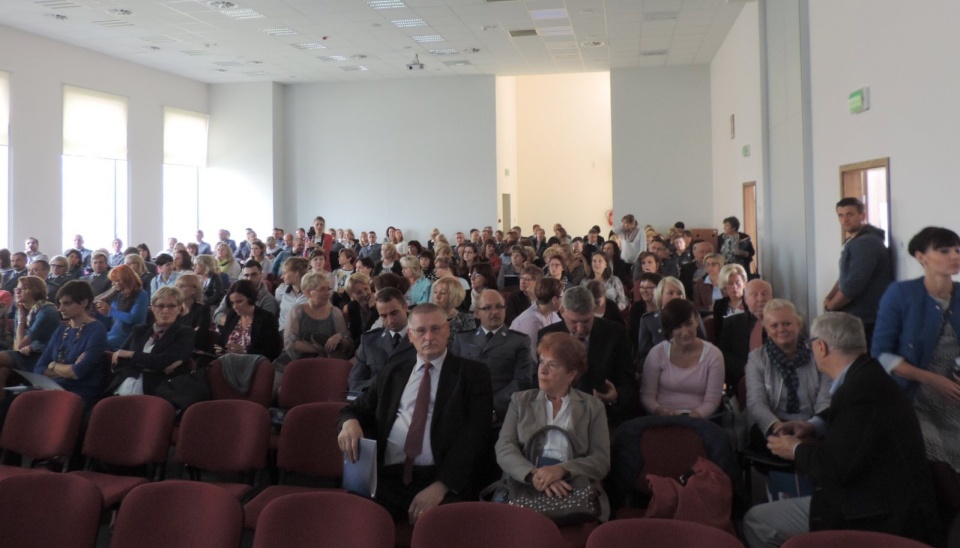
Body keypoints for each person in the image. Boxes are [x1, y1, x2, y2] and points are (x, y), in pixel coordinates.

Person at [743, 312, 941, 547]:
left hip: (879, 511)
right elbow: (847, 416)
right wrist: (812, 425)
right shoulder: (866, 373)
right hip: (881, 492)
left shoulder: (860, 391)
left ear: (821, 347)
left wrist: (795, 449)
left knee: (756, 520)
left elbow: (833, 469)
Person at [337, 303, 494, 523]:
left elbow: (475, 436)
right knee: (355, 522)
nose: (428, 337)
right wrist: (350, 422)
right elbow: (354, 409)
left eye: (436, 329)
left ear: (447, 330)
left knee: (439, 528)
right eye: (421, 331)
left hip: (440, 478)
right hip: (387, 477)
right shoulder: (394, 371)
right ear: (410, 335)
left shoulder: (473, 374)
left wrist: (440, 487)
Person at [495, 332, 610, 519]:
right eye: (541, 362)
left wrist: (561, 470)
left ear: (571, 374)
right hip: (525, 483)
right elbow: (504, 448)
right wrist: (534, 475)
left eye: (552, 364)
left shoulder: (592, 407)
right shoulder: (520, 401)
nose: (542, 370)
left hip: (572, 487)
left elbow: (601, 461)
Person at [872, 226, 960, 471]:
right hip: (915, 393)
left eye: (957, 250)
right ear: (921, 257)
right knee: (936, 463)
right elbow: (881, 353)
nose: (954, 256)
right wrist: (932, 379)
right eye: (944, 251)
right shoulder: (901, 294)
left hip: (954, 390)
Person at [538, 286, 635, 428]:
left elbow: (628, 384)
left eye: (586, 321)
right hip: (557, 416)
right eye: (574, 322)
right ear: (562, 311)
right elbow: (539, 381)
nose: (580, 329)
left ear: (593, 312)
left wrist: (616, 396)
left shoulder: (616, 334)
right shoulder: (548, 336)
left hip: (604, 416)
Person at [745, 299, 830, 451]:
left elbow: (825, 398)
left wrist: (812, 425)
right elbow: (756, 402)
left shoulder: (818, 352)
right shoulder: (757, 359)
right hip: (774, 424)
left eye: (787, 323)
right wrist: (777, 426)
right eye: (774, 325)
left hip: (811, 422)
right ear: (767, 330)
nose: (781, 329)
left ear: (799, 325)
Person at [453, 290, 532, 425]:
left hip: (502, 415)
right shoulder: (463, 339)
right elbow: (452, 377)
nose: (495, 312)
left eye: (499, 307)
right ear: (477, 313)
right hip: (465, 411)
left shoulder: (519, 341)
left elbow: (522, 380)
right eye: (488, 308)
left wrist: (493, 408)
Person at [823, 197, 893, 346]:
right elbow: (844, 277)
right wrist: (829, 297)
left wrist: (831, 307)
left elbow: (853, 285)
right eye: (840, 215)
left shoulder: (866, 243)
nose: (844, 220)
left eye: (850, 214)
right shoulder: (855, 241)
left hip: (864, 318)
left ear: (862, 215)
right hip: (855, 317)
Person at [641, 299, 724, 418]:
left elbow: (712, 400)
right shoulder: (657, 353)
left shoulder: (714, 355)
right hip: (661, 418)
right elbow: (647, 396)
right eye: (677, 327)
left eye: (689, 324)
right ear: (669, 329)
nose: (685, 333)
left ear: (696, 320)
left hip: (700, 420)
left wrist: (693, 416)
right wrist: (659, 411)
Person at [106, 286, 195, 395]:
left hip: (155, 391)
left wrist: (132, 355)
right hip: (122, 387)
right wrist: (150, 363)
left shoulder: (185, 333)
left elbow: (163, 361)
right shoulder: (139, 330)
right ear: (153, 308)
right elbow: (118, 360)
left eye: (171, 306)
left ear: (180, 308)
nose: (165, 310)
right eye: (160, 306)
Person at [34, 280, 109, 409]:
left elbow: (77, 372)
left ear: (84, 302)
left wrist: (53, 365)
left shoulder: (97, 330)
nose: (60, 308)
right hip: (55, 387)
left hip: (80, 392)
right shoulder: (61, 329)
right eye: (60, 304)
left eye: (67, 303)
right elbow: (39, 368)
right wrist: (65, 369)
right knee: (13, 402)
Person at [277, 271, 352, 368]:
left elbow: (347, 343)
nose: (327, 293)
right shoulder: (297, 311)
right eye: (322, 289)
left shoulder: (335, 312)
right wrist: (318, 349)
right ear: (308, 292)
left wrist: (340, 337)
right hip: (298, 361)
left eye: (328, 289)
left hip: (326, 364)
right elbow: (291, 343)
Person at [347, 288, 416, 392]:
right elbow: (355, 382)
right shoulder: (369, 341)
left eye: (394, 313)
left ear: (405, 307)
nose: (390, 320)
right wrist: (381, 386)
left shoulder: (420, 338)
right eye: (383, 316)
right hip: (376, 401)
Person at [0, 276, 61, 385]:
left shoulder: (47, 312)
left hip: (41, 357)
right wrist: (21, 317)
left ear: (36, 291)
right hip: (23, 354)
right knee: (2, 372)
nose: (17, 291)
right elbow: (16, 345)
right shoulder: (22, 309)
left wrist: (21, 320)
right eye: (16, 289)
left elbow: (20, 345)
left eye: (23, 288)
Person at [635, 276, 707, 367]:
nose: (676, 296)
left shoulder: (693, 316)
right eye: (671, 293)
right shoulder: (648, 321)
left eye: (679, 293)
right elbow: (644, 356)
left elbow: (704, 344)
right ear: (660, 295)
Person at [718, 278, 773, 389]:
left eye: (764, 294)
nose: (760, 299)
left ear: (771, 297)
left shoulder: (782, 323)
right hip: (742, 380)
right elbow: (722, 353)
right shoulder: (731, 323)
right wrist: (745, 368)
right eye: (754, 295)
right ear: (746, 299)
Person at [217, 280, 282, 361]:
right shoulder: (232, 315)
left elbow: (273, 351)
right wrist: (219, 349)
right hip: (228, 361)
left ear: (250, 298)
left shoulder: (266, 318)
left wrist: (246, 352)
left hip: (253, 365)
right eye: (232, 303)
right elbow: (221, 341)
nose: (235, 307)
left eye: (239, 302)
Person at [95, 264, 150, 351]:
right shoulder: (120, 294)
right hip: (114, 333)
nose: (113, 284)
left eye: (116, 281)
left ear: (125, 280)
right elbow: (111, 316)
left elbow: (131, 318)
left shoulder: (141, 295)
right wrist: (99, 312)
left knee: (97, 344)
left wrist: (109, 308)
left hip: (130, 336)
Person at [511, 278, 563, 362]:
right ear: (554, 300)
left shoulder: (551, 314)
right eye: (562, 297)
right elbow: (534, 356)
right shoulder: (531, 321)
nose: (563, 301)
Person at [174, 273, 212, 352]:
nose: (177, 289)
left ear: (193, 290)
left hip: (193, 351)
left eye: (182, 286)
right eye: (176, 286)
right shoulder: (174, 309)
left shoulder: (202, 309)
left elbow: (198, 335)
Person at [712, 263, 748, 341]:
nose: (734, 287)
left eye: (738, 283)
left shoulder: (749, 303)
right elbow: (717, 332)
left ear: (744, 283)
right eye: (730, 283)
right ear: (724, 286)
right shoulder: (719, 305)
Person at [274, 257, 309, 334]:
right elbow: (277, 307)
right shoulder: (280, 291)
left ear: (296, 273)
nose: (281, 277)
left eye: (284, 273)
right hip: (283, 332)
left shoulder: (312, 292)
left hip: (304, 333)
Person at [345, 273, 376, 342]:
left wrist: (373, 309)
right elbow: (356, 337)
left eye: (366, 289)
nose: (364, 294)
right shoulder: (352, 307)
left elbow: (376, 330)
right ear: (352, 295)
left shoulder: (378, 302)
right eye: (359, 293)